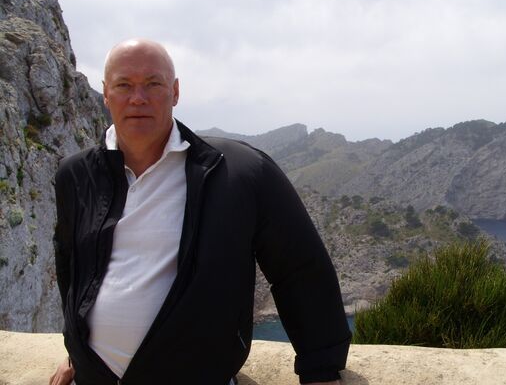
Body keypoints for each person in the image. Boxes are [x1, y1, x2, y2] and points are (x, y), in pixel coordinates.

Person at [49, 38, 351, 385]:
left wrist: (320, 370)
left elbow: (299, 269)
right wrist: (76, 350)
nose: (138, 98)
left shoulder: (240, 171)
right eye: (124, 85)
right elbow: (73, 267)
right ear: (106, 93)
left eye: (153, 83)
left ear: (175, 92)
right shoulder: (75, 175)